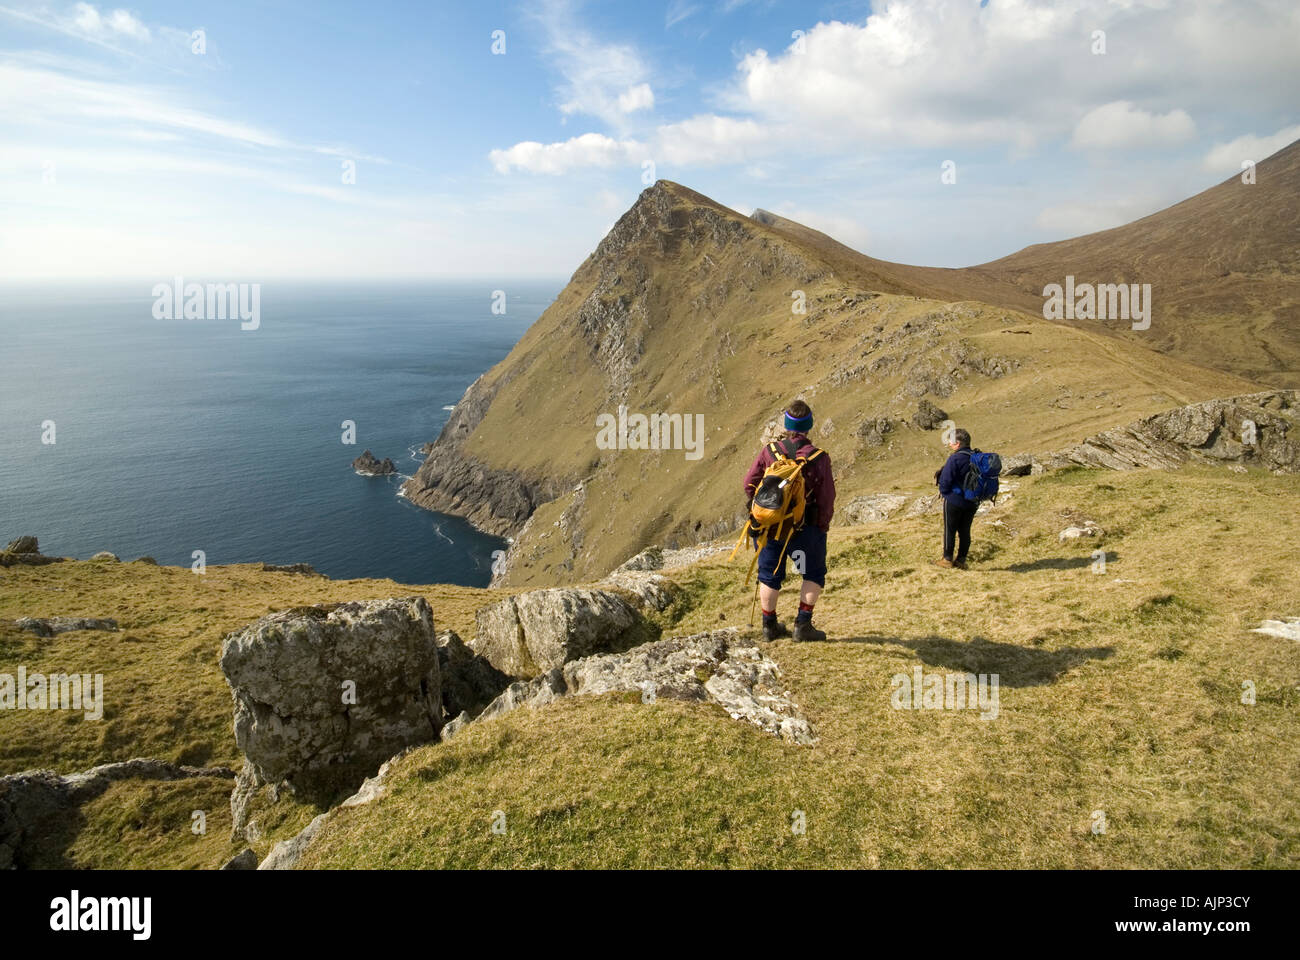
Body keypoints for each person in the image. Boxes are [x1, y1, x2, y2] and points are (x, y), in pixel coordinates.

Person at [742, 400, 836, 642]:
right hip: (806, 529)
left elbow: (749, 483)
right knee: (812, 573)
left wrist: (765, 509)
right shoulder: (819, 458)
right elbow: (827, 498)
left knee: (769, 574)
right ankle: (802, 626)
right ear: (809, 426)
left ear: (786, 425)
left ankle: (769, 626)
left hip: (771, 528)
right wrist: (821, 526)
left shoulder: (769, 452)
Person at [935, 428, 978, 569]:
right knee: (965, 531)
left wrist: (946, 493)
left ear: (958, 443)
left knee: (950, 529)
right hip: (972, 501)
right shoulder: (977, 457)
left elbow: (945, 481)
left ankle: (947, 559)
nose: (949, 444)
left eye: (951, 441)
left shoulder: (955, 458)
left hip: (954, 500)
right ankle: (961, 560)